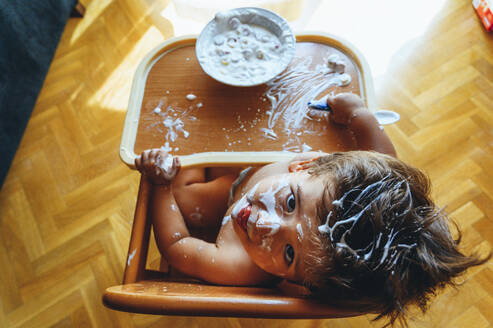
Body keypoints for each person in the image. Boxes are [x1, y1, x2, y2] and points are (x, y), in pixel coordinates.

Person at [135, 93, 489, 326]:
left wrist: (163, 183)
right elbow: (382, 154)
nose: (262, 224)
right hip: (253, 174)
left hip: (226, 200)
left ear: (298, 284)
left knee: (186, 197)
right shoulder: (352, 178)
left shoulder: (236, 263)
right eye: (290, 203)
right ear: (306, 163)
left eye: (289, 253)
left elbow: (177, 245)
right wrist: (359, 115)